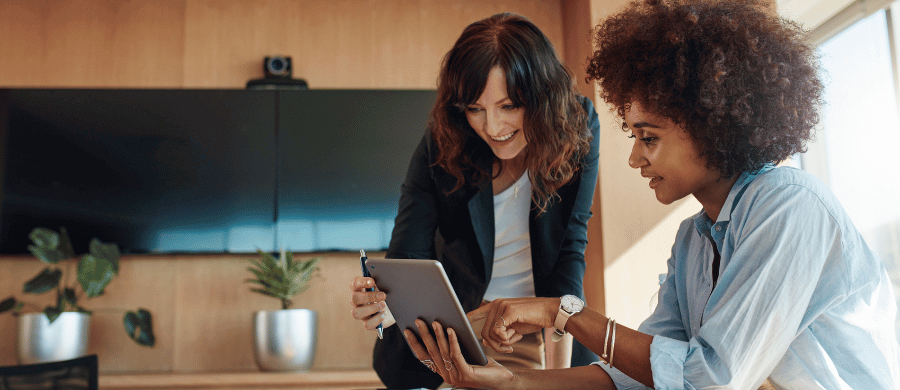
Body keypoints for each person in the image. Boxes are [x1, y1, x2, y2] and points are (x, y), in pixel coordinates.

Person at [401, 0, 900, 389]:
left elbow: (709, 379)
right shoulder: (694, 242)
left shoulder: (789, 207)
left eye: (649, 138)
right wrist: (510, 382)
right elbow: (634, 377)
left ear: (710, 125)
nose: (635, 158)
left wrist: (563, 313)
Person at [349, 12, 601, 389]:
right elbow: (408, 256)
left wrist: (557, 375)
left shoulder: (576, 125)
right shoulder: (444, 139)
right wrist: (384, 303)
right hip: (456, 333)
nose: (493, 128)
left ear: (543, 97)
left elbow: (569, 250)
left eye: (509, 106)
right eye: (475, 109)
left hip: (541, 329)